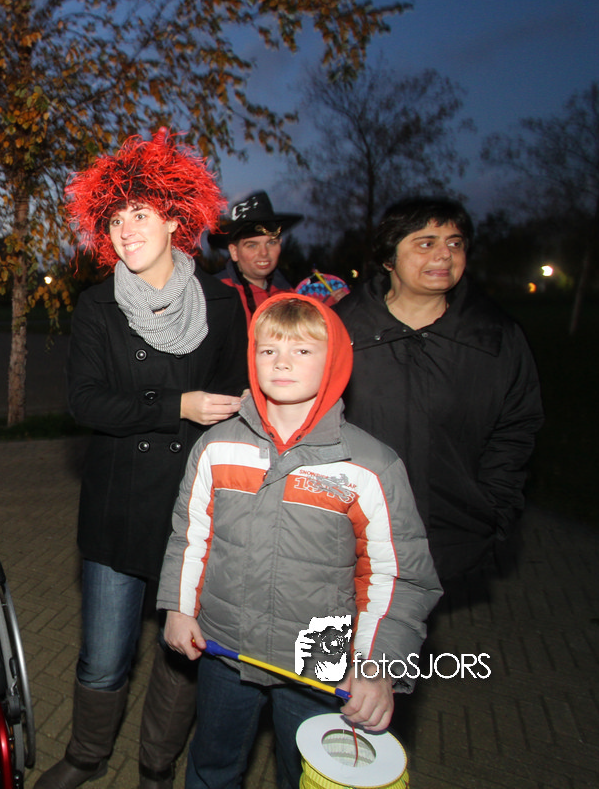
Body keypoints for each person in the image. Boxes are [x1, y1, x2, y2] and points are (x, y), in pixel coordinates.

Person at [36, 129, 249, 789]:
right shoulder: (97, 306)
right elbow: (86, 402)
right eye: (115, 220)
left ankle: (157, 763)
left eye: (140, 214)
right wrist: (177, 405)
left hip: (194, 508)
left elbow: (237, 405)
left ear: (176, 218)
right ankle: (87, 755)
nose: (125, 230)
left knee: (181, 651)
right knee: (105, 654)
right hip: (117, 507)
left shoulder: (221, 303)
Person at [158, 294, 441, 789]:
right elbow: (190, 535)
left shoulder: (369, 466)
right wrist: (179, 610)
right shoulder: (216, 446)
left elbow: (398, 578)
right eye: (268, 350)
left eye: (302, 350)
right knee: (212, 764)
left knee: (305, 773)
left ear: (334, 362)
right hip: (226, 647)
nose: (282, 362)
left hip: (318, 662)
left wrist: (377, 668)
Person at [333, 197, 543, 585]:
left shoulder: (496, 337)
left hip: (451, 539)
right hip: (349, 538)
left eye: (455, 243)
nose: (445, 255)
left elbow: (516, 430)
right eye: (426, 243)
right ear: (389, 258)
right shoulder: (337, 331)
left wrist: (495, 511)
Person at [210, 190, 320, 322]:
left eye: (271, 243)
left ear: (280, 243)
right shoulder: (215, 295)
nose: (264, 253)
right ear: (234, 251)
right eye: (252, 245)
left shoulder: (290, 296)